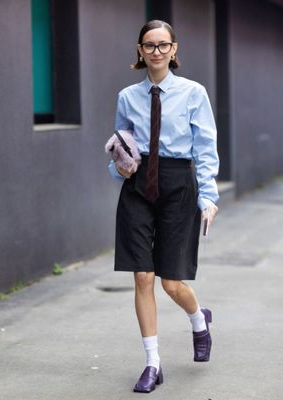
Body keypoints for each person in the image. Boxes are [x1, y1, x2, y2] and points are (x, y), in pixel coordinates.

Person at [108, 19, 219, 393]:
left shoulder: (193, 93)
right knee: (141, 276)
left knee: (171, 282)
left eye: (163, 45)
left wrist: (208, 197)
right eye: (149, 45)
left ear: (174, 50)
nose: (156, 51)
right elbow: (122, 141)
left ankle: (198, 319)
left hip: (177, 185)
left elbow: (205, 148)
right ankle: (153, 363)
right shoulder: (127, 97)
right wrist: (118, 165)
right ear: (139, 51)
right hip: (138, 187)